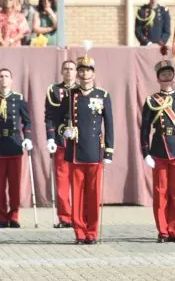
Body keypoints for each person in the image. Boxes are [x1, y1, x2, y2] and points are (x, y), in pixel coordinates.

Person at [59, 52, 114, 244]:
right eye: (81, 70)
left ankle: (92, 232)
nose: (84, 74)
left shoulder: (103, 95)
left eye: (88, 70)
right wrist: (64, 131)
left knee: (93, 195)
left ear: (94, 73)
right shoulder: (70, 94)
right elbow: (59, 119)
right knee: (77, 195)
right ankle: (79, 232)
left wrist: (109, 150)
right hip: (76, 151)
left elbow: (109, 124)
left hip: (95, 151)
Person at [140, 58, 175, 243]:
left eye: (169, 72)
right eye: (163, 73)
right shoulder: (151, 100)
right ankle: (163, 230)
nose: (166, 75)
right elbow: (145, 128)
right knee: (160, 192)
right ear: (158, 78)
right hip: (159, 149)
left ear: (173, 75)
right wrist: (145, 152)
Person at [44, 60, 77, 228]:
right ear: (61, 71)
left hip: (79, 144)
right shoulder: (54, 91)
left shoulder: (82, 91)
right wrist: (50, 137)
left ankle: (79, 216)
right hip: (61, 141)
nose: (69, 72)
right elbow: (49, 116)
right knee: (62, 181)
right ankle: (65, 217)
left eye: (71, 69)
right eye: (66, 69)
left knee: (79, 182)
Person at [0, 68, 32, 228]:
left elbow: (27, 121)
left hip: (14, 144)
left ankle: (14, 216)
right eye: (1, 76)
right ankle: (1, 217)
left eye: (6, 76)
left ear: (11, 80)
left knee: (14, 185)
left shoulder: (18, 99)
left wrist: (28, 138)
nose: (3, 79)